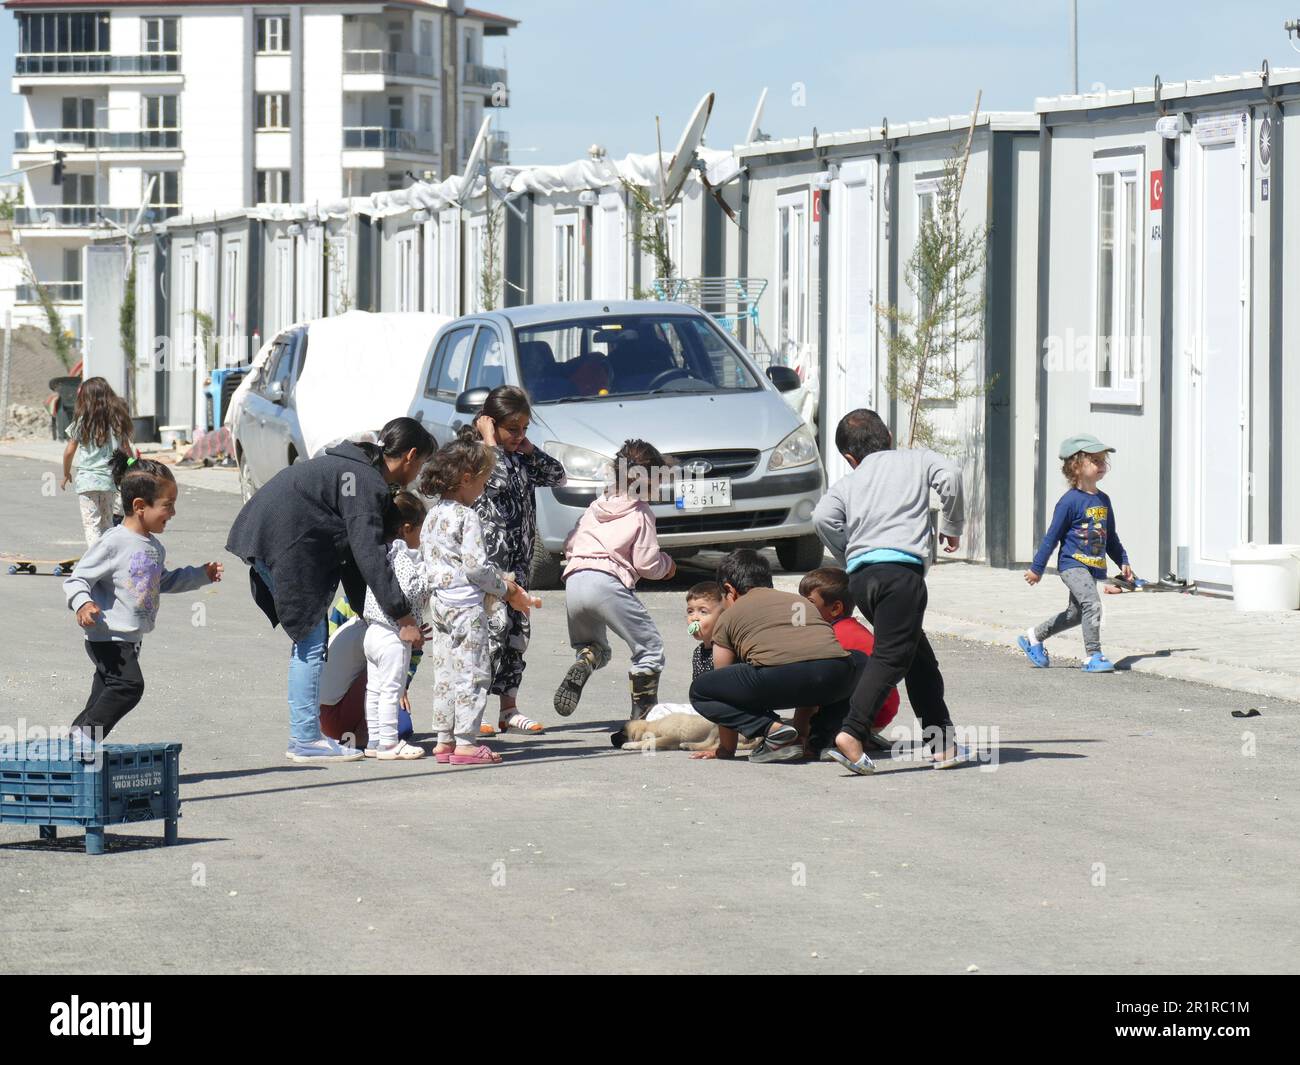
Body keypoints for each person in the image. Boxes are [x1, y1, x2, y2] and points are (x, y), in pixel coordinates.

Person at [226, 417, 435, 764]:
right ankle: (305, 739)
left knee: (309, 639)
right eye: (422, 464)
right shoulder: (366, 481)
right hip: (283, 543)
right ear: (411, 456)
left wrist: (370, 614)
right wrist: (401, 615)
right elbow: (369, 554)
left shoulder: (358, 470)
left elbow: (354, 558)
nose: (417, 474)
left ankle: (306, 736)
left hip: (271, 536)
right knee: (310, 640)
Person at [812, 408, 964, 775]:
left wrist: (851, 552)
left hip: (863, 580)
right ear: (890, 437)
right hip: (901, 575)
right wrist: (952, 525)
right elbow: (953, 475)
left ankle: (941, 743)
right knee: (892, 656)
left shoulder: (849, 483)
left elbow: (821, 518)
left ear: (850, 458)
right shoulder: (918, 459)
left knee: (918, 658)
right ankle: (851, 732)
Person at [63, 455, 221, 742]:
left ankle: (74, 742)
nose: (172, 513)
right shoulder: (114, 541)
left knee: (102, 695)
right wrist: (83, 603)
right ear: (139, 506)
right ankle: (85, 739)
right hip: (108, 635)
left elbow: (162, 581)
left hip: (131, 638)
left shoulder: (154, 547)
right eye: (167, 505)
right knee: (128, 686)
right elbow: (78, 578)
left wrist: (201, 575)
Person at [421, 427, 538, 765]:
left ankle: (443, 740)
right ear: (466, 479)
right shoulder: (467, 516)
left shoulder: (432, 515)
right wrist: (505, 587)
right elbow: (475, 568)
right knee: (472, 673)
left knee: (445, 672)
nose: (484, 489)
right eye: (483, 482)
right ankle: (467, 743)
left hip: (440, 604)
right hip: (464, 607)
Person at [687, 549, 866, 764]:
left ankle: (773, 730)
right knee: (858, 659)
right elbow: (814, 652)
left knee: (702, 689)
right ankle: (818, 742)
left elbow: (723, 684)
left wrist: (726, 748)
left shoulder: (729, 616)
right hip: (836, 675)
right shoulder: (800, 602)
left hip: (779, 679)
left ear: (729, 590)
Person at [554, 439, 676, 721]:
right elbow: (646, 564)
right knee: (649, 649)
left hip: (574, 581)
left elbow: (569, 543)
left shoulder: (596, 505)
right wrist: (667, 566)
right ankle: (642, 717)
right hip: (607, 583)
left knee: (595, 648)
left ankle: (585, 660)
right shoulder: (641, 512)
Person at [471, 386, 565, 736]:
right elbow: (492, 481)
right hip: (490, 567)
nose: (519, 435)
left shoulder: (521, 455)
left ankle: (508, 708)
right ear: (491, 424)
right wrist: (490, 444)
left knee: (515, 635)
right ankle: (474, 709)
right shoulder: (476, 455)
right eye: (514, 429)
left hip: (520, 564)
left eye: (525, 428)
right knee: (487, 636)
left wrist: (530, 449)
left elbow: (558, 476)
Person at [1019, 434, 1132, 674]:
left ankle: (1033, 637)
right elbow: (1051, 537)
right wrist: (1037, 568)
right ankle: (1093, 655)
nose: (1102, 464)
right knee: (1093, 603)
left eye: (1103, 460)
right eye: (1095, 460)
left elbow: (1110, 537)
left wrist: (1122, 560)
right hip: (1072, 564)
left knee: (1075, 614)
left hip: (1093, 565)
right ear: (1076, 466)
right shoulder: (1069, 502)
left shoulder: (1104, 500)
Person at [798, 567, 901, 752]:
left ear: (835, 608)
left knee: (807, 685)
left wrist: (800, 733)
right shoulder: (851, 627)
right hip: (883, 709)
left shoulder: (830, 636)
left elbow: (810, 688)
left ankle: (834, 737)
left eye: (810, 602)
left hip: (868, 712)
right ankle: (865, 735)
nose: (800, 608)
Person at [361, 491, 430, 760]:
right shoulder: (401, 555)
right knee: (392, 689)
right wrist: (429, 578)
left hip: (373, 632)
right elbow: (410, 589)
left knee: (375, 689)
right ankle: (390, 743)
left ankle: (375, 739)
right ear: (407, 528)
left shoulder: (382, 554)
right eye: (420, 531)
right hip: (392, 634)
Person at [61, 376, 133, 547]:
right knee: (107, 525)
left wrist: (66, 472)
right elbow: (127, 450)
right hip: (109, 481)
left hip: (87, 483)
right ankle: (108, 560)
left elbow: (69, 451)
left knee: (92, 525)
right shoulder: (117, 422)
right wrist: (133, 467)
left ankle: (96, 563)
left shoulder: (81, 422)